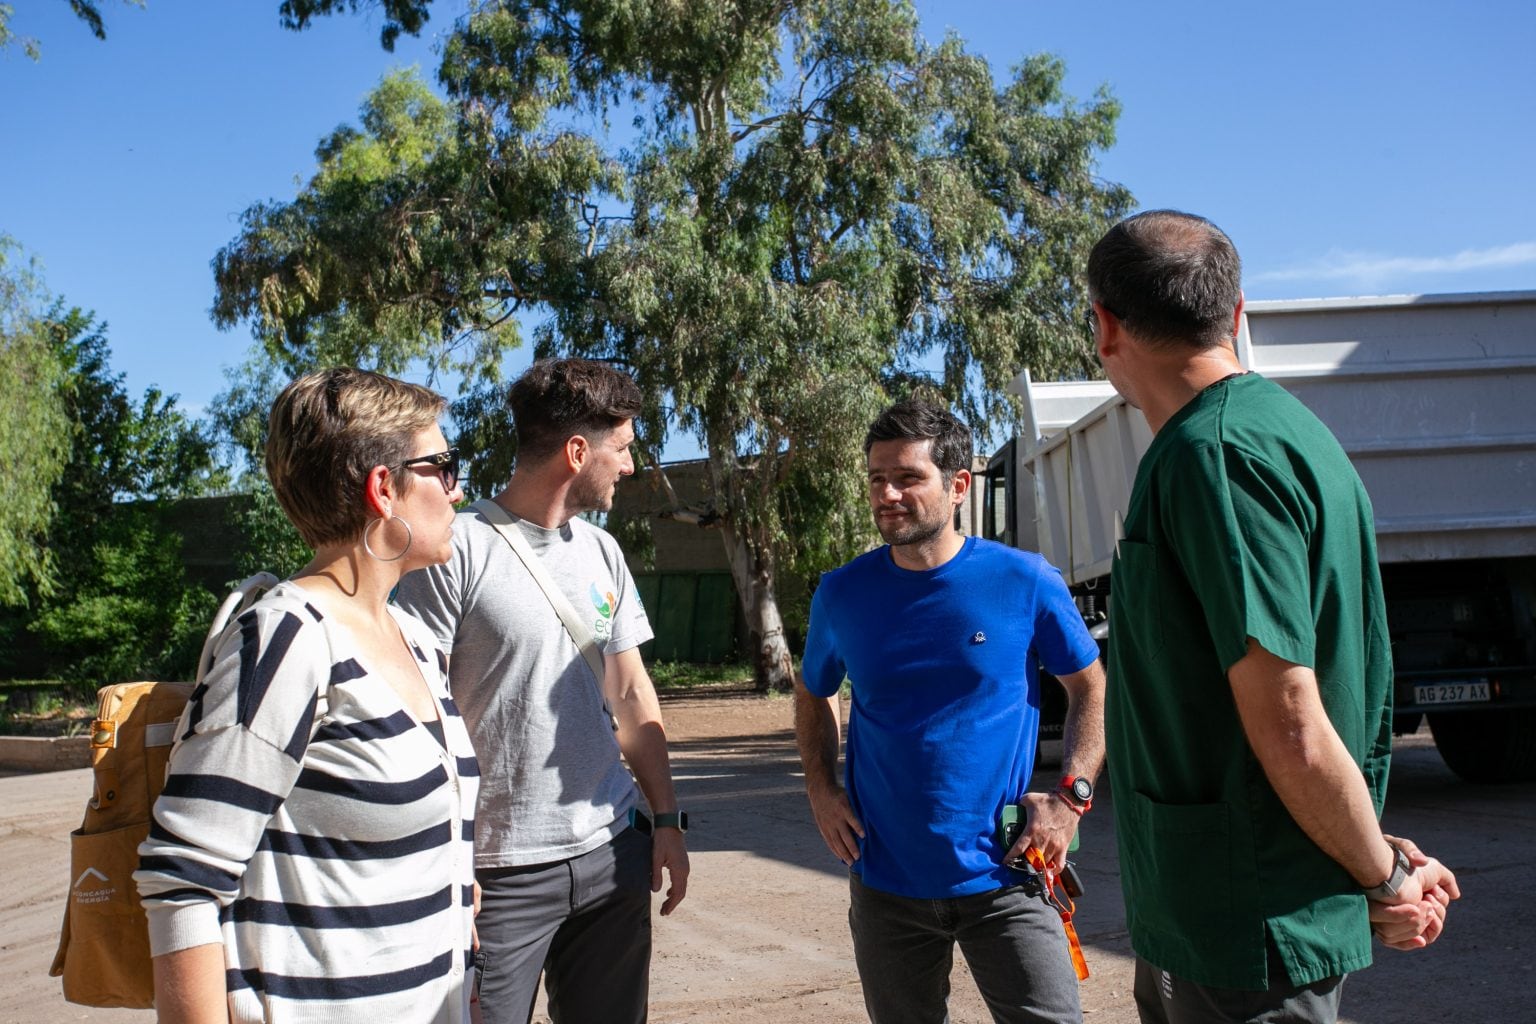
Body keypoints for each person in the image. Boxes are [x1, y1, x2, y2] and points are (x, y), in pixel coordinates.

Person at [1088, 210, 1461, 1024]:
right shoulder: (1286, 435)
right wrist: (1381, 851)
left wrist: (1382, 879)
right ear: (1237, 312)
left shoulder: (1212, 456)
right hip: (1223, 909)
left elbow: (1291, 720)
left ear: (1105, 326)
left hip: (1245, 927)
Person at [135, 368, 479, 1023]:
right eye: (444, 466)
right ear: (385, 489)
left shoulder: (412, 636)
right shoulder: (286, 639)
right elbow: (183, 883)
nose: (458, 492)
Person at [795, 400, 1107, 1024]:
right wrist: (821, 787)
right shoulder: (843, 593)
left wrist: (1071, 798)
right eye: (877, 478)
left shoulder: (1023, 580)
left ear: (959, 485)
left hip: (1010, 875)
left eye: (908, 477)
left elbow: (1090, 687)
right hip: (885, 881)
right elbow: (814, 690)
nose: (887, 493)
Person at [395, 357, 687, 1024]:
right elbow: (416, 712)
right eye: (623, 449)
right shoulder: (456, 551)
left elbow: (632, 694)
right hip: (496, 875)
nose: (631, 467)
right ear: (577, 451)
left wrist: (666, 821)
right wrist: (444, 860)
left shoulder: (601, 553)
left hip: (613, 853)